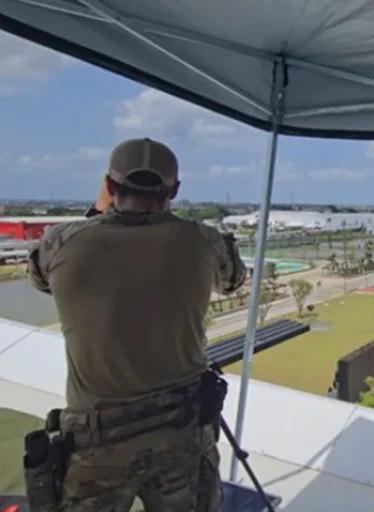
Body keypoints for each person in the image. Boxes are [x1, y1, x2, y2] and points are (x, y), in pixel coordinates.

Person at [26, 138, 246, 511]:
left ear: (110, 188)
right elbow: (234, 279)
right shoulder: (204, 241)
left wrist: (99, 212)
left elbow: (41, 279)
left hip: (98, 441)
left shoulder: (61, 243)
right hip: (182, 432)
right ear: (174, 190)